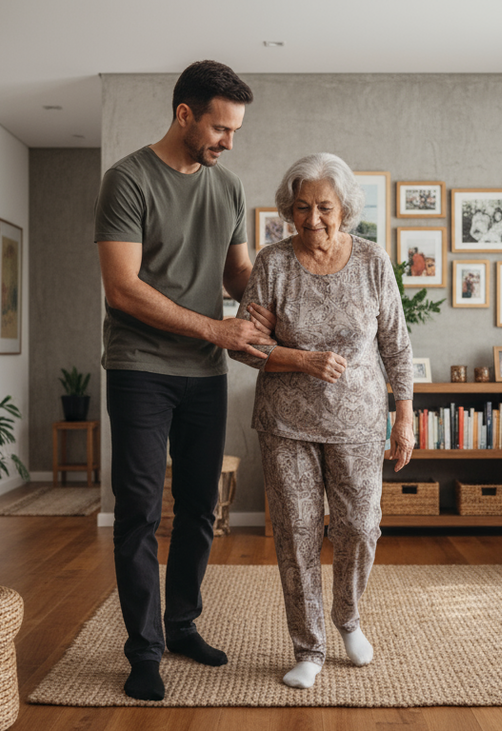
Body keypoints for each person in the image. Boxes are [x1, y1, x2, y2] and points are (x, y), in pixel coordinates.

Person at [95, 60, 274, 702]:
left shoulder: (226, 189)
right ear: (184, 115)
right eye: (222, 128)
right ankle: (143, 651)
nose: (230, 142)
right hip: (141, 368)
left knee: (202, 509)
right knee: (140, 514)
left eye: (235, 130)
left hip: (204, 373)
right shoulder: (128, 180)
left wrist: (290, 291)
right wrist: (216, 331)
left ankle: (181, 626)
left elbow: (237, 278)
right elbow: (122, 289)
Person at [230, 152, 415, 690]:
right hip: (286, 423)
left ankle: (348, 618)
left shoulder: (373, 261)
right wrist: (300, 359)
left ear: (345, 209)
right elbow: (246, 346)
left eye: (325, 207)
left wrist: (403, 418)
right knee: (296, 534)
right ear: (289, 209)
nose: (313, 219)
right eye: (302, 207)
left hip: (358, 421)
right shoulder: (273, 264)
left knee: (360, 528)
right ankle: (308, 647)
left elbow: (396, 347)